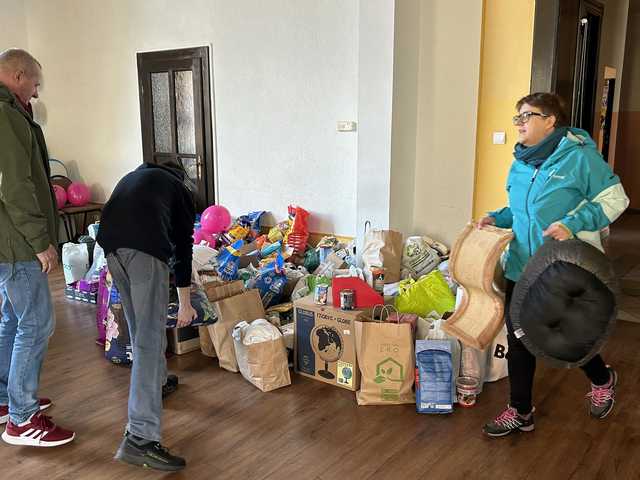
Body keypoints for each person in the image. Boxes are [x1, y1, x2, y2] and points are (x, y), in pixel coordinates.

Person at [478, 92, 629, 438]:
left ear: (550, 120)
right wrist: (495, 217)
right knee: (519, 337)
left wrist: (573, 223)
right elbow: (521, 211)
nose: (519, 123)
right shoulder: (520, 161)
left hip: (561, 266)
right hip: (520, 265)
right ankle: (520, 411)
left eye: (526, 116)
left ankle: (602, 379)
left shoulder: (580, 158)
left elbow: (615, 198)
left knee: (566, 336)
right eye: (516, 117)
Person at [97, 161, 197, 471]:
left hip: (110, 246)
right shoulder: (179, 189)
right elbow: (184, 248)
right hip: (144, 251)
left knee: (141, 331)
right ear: (181, 178)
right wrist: (185, 303)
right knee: (150, 341)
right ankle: (141, 438)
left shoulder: (136, 176)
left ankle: (158, 381)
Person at [0, 49, 75, 447]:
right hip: (17, 245)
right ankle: (22, 418)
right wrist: (40, 241)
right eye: (34, 83)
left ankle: (5, 400)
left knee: (13, 320)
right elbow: (15, 188)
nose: (35, 91)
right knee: (37, 324)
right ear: (17, 75)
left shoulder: (10, 114)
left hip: (7, 243)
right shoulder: (6, 116)